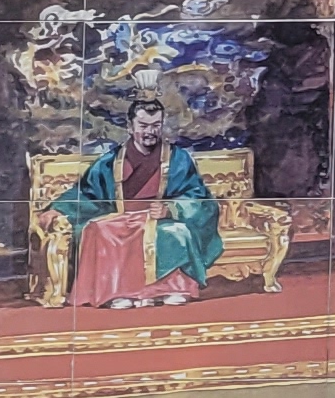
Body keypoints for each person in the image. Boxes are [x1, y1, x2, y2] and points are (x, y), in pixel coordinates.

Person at [44, 97, 224, 309]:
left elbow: (199, 197)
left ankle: (171, 288)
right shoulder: (111, 161)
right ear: (130, 127)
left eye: (156, 125)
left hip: (160, 219)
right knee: (100, 231)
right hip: (121, 218)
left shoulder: (178, 159)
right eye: (143, 126)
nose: (150, 132)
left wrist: (171, 208)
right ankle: (116, 292)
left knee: (176, 233)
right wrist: (58, 209)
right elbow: (87, 193)